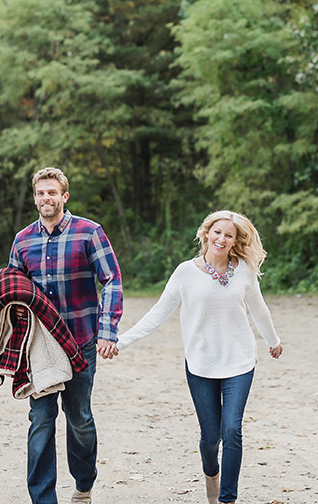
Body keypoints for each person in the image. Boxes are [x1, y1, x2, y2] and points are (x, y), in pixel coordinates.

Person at [101, 210, 283, 504]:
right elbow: (158, 314)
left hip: (239, 360)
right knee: (211, 439)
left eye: (229, 235)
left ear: (235, 241)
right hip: (200, 364)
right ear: (206, 233)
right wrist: (120, 342)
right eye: (218, 232)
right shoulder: (185, 273)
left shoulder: (244, 272)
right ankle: (212, 477)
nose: (222, 239)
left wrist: (273, 340)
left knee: (232, 430)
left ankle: (227, 499)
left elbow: (258, 309)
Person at [9, 167, 123, 504]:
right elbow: (15, 290)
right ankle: (43, 499)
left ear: (64, 196)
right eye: (41, 193)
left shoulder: (89, 232)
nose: (46, 198)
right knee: (41, 421)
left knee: (79, 419)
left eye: (52, 192)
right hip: (40, 347)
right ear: (34, 198)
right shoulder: (22, 239)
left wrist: (107, 331)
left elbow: (112, 279)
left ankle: (84, 484)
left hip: (81, 342)